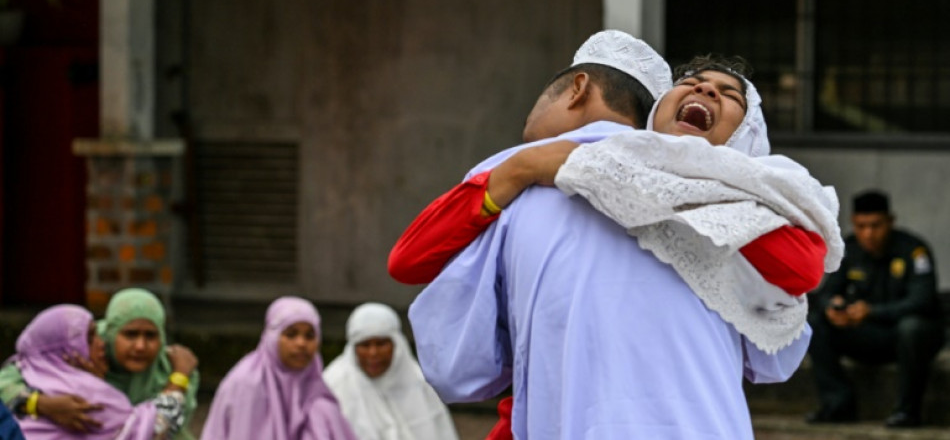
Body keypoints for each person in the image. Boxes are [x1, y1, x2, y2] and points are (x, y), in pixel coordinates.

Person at [408, 40, 817, 438]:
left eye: (731, 96)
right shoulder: (525, 181)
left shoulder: (754, 211)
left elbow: (802, 269)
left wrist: (542, 167)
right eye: (690, 82)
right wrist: (525, 170)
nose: (705, 89)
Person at [806, 189, 943, 428]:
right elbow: (826, 293)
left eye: (875, 225)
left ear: (890, 221)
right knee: (817, 323)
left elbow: (923, 301)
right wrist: (833, 307)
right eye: (861, 226)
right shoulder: (850, 249)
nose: (868, 234)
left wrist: (872, 312)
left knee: (912, 328)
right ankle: (838, 405)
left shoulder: (913, 250)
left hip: (907, 338)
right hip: (868, 334)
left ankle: (906, 412)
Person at [0, 288, 201, 438]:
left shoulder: (166, 368)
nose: (140, 346)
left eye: (151, 335)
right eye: (130, 334)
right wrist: (39, 404)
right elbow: (153, 430)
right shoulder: (83, 391)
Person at [201, 296, 357, 440]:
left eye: (310, 336)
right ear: (272, 336)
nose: (301, 344)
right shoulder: (248, 385)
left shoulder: (315, 388)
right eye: (291, 334)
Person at [324, 303, 458, 440]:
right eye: (365, 345)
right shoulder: (335, 384)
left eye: (381, 344)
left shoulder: (417, 379)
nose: (373, 353)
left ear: (397, 344)